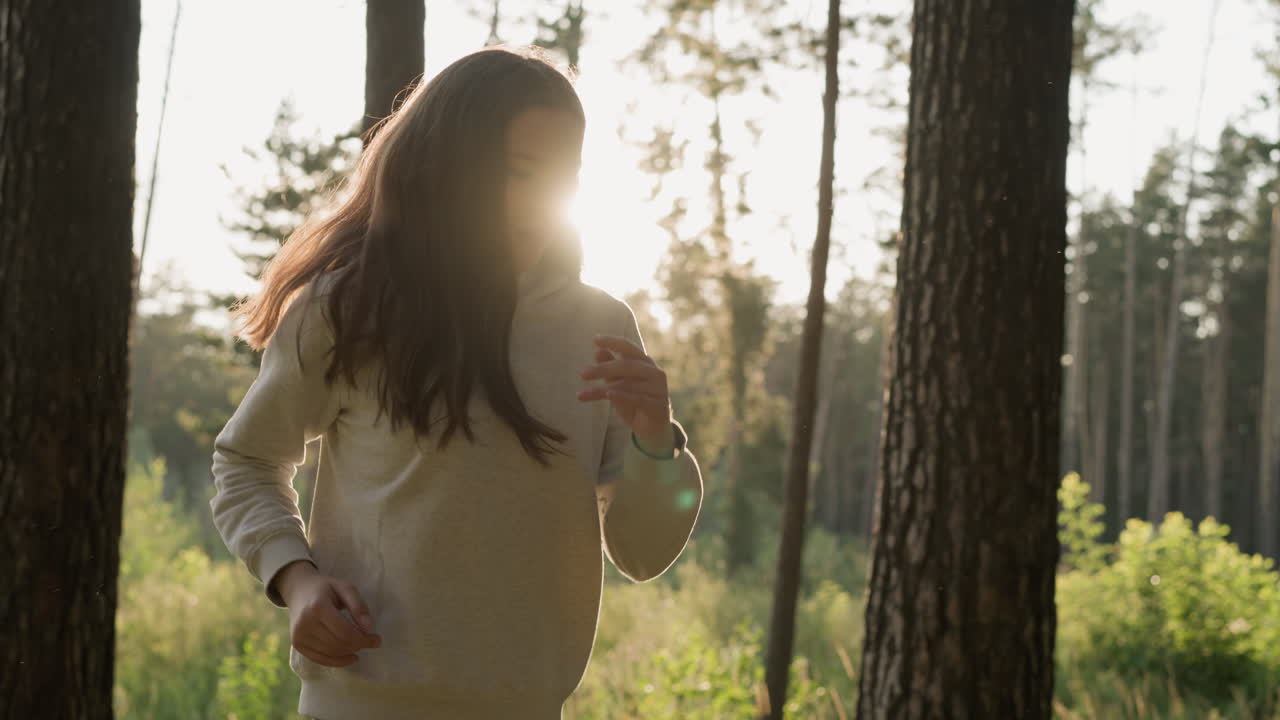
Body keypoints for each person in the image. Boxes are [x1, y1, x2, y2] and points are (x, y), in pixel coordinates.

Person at [208, 46, 704, 720]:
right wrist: (296, 582)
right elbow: (246, 460)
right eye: (516, 172)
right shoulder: (350, 309)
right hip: (361, 703)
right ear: (447, 168)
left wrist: (655, 444)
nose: (541, 203)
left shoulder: (600, 326)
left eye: (562, 178)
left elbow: (642, 554)